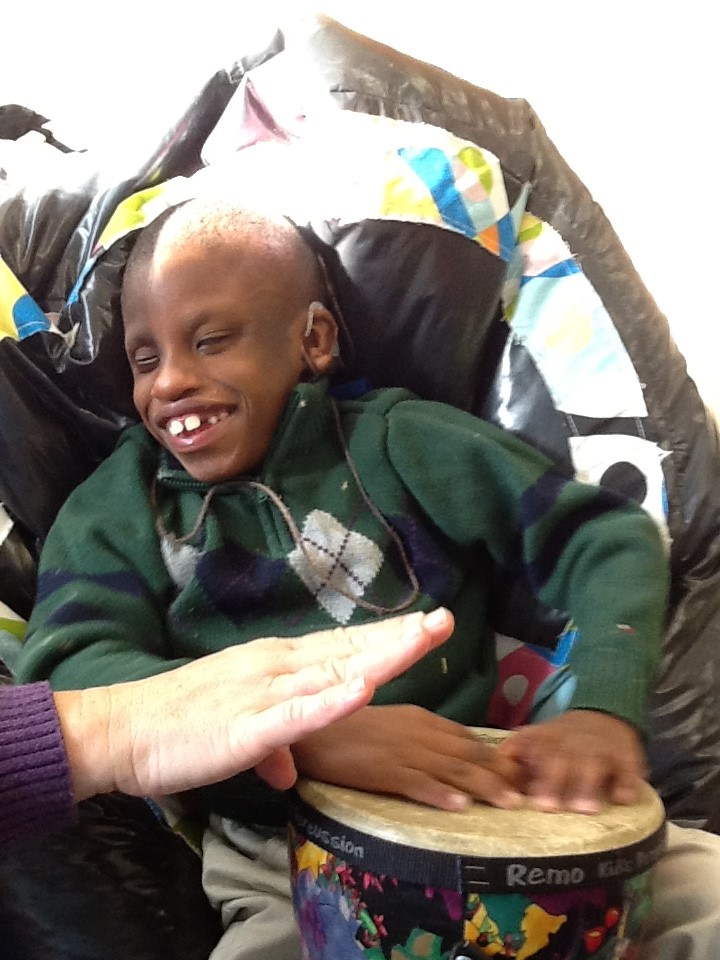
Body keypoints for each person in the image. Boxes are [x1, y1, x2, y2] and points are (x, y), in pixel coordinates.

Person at [15, 198, 720, 959]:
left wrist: (601, 708)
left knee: (703, 896)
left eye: (212, 341)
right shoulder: (119, 510)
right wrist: (305, 738)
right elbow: (70, 678)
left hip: (484, 789)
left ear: (313, 340)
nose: (171, 383)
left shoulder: (404, 444)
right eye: (145, 359)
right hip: (274, 846)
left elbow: (602, 536)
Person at [1, 608, 454, 849]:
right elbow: (67, 656)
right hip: (264, 839)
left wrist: (530, 718)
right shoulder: (107, 509)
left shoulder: (414, 446)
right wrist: (295, 725)